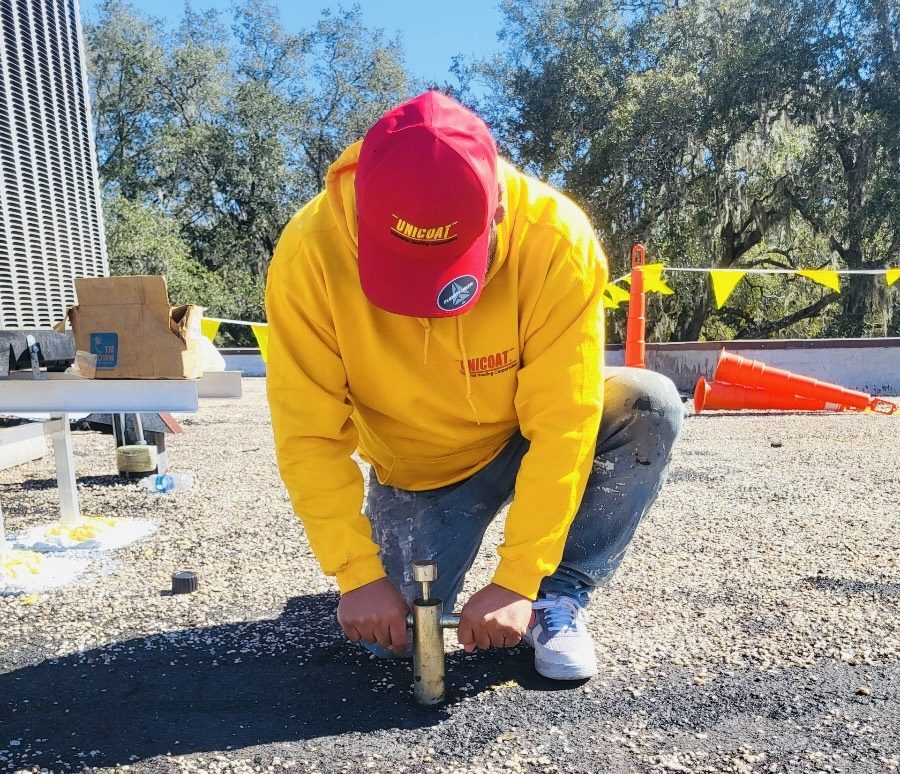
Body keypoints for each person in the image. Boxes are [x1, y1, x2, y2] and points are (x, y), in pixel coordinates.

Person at [266, 90, 683, 681]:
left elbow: (565, 422)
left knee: (649, 403)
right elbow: (307, 430)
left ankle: (557, 599)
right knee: (390, 641)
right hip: (424, 467)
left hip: (523, 427)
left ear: (496, 213)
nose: (430, 307)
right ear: (362, 213)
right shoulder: (308, 254)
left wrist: (519, 577)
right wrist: (356, 573)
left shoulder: (555, 239)